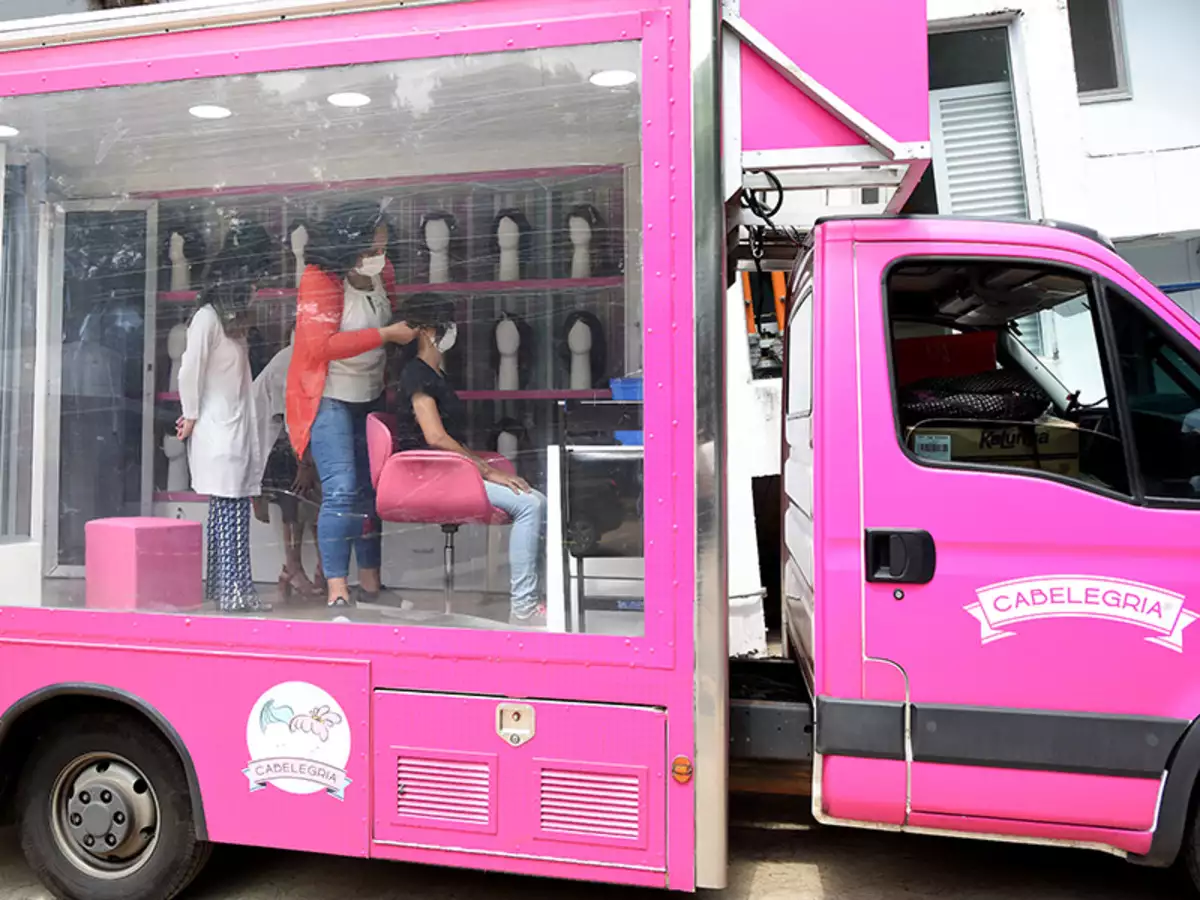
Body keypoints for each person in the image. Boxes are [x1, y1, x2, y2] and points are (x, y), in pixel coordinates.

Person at [286, 201, 415, 608]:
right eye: (373, 249)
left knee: (370, 493)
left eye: (384, 248)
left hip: (371, 395)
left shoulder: (384, 274)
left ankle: (372, 585)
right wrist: (386, 335)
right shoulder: (319, 279)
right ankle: (337, 590)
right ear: (350, 245)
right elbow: (318, 346)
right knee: (341, 492)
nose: (381, 257)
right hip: (329, 397)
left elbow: (393, 322)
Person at [393, 294, 547, 627]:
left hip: (447, 472)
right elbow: (435, 437)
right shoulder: (416, 376)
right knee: (530, 506)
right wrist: (488, 471)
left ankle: (532, 600)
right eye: (447, 325)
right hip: (429, 476)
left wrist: (484, 471)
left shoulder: (436, 376)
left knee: (536, 501)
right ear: (428, 331)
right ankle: (523, 608)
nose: (453, 332)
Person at [176, 236, 272, 613]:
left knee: (229, 512)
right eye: (252, 283)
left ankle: (228, 590)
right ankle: (233, 593)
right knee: (229, 511)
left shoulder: (231, 322)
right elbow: (189, 370)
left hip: (233, 429)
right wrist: (192, 414)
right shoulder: (207, 319)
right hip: (218, 431)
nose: (255, 291)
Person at [252, 330, 325, 600]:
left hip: (290, 440)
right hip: (278, 443)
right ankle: (294, 568)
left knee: (310, 503)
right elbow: (289, 420)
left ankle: (311, 569)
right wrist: (304, 466)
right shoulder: (289, 364)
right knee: (296, 504)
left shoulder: (303, 358)